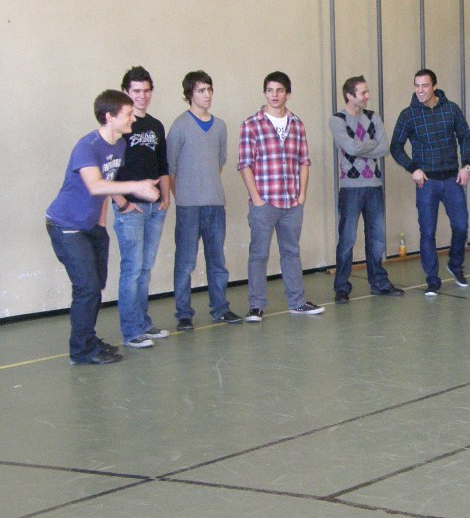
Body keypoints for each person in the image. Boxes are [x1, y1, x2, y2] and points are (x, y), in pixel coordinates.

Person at [46, 90, 161, 365]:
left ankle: (87, 339)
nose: (133, 118)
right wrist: (136, 187)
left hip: (91, 226)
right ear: (109, 117)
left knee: (95, 286)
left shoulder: (119, 144)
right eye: (128, 114)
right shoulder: (87, 146)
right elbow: (95, 184)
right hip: (66, 225)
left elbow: (107, 185)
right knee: (86, 288)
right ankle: (81, 350)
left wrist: (104, 218)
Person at [238, 71, 324, 320]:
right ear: (265, 93)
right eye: (270, 90)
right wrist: (256, 199)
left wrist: (301, 196)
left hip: (292, 203)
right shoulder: (251, 124)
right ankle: (256, 305)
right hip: (264, 202)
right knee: (259, 254)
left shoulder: (297, 124)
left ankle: (297, 302)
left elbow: (304, 162)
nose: (274, 95)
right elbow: (245, 165)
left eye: (279, 90)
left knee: (291, 252)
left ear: (288, 94)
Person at [166, 70, 243, 331]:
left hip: (215, 204)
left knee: (217, 260)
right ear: (190, 94)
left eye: (209, 89)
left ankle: (220, 308)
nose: (207, 94)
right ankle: (183, 313)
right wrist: (182, 196)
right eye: (201, 90)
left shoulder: (220, 126)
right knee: (186, 262)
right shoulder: (180, 125)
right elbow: (171, 167)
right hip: (188, 206)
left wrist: (207, 188)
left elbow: (219, 162)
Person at [389, 68, 470, 296]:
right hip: (426, 182)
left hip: (452, 178)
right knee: (427, 232)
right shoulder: (408, 115)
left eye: (425, 86)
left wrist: (466, 165)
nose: (420, 90)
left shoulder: (451, 109)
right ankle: (432, 279)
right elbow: (395, 146)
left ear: (434, 86)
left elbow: (465, 137)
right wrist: (412, 168)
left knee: (461, 225)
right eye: (417, 86)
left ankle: (455, 265)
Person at [110, 66, 172, 349]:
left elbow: (162, 165)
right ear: (126, 92)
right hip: (130, 209)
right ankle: (131, 331)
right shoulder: (121, 126)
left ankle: (143, 324)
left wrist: (165, 197)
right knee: (132, 269)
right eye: (136, 91)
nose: (142, 96)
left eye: (147, 91)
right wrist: (122, 203)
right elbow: (108, 170)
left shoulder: (156, 126)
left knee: (145, 269)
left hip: (154, 208)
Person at [330, 75, 404, 302]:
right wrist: (371, 145)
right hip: (351, 188)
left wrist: (363, 147)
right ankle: (342, 287)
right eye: (363, 93)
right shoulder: (337, 120)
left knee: (377, 238)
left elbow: (385, 148)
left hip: (374, 186)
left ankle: (379, 282)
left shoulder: (373, 117)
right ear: (349, 96)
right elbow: (350, 148)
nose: (367, 96)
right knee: (347, 239)